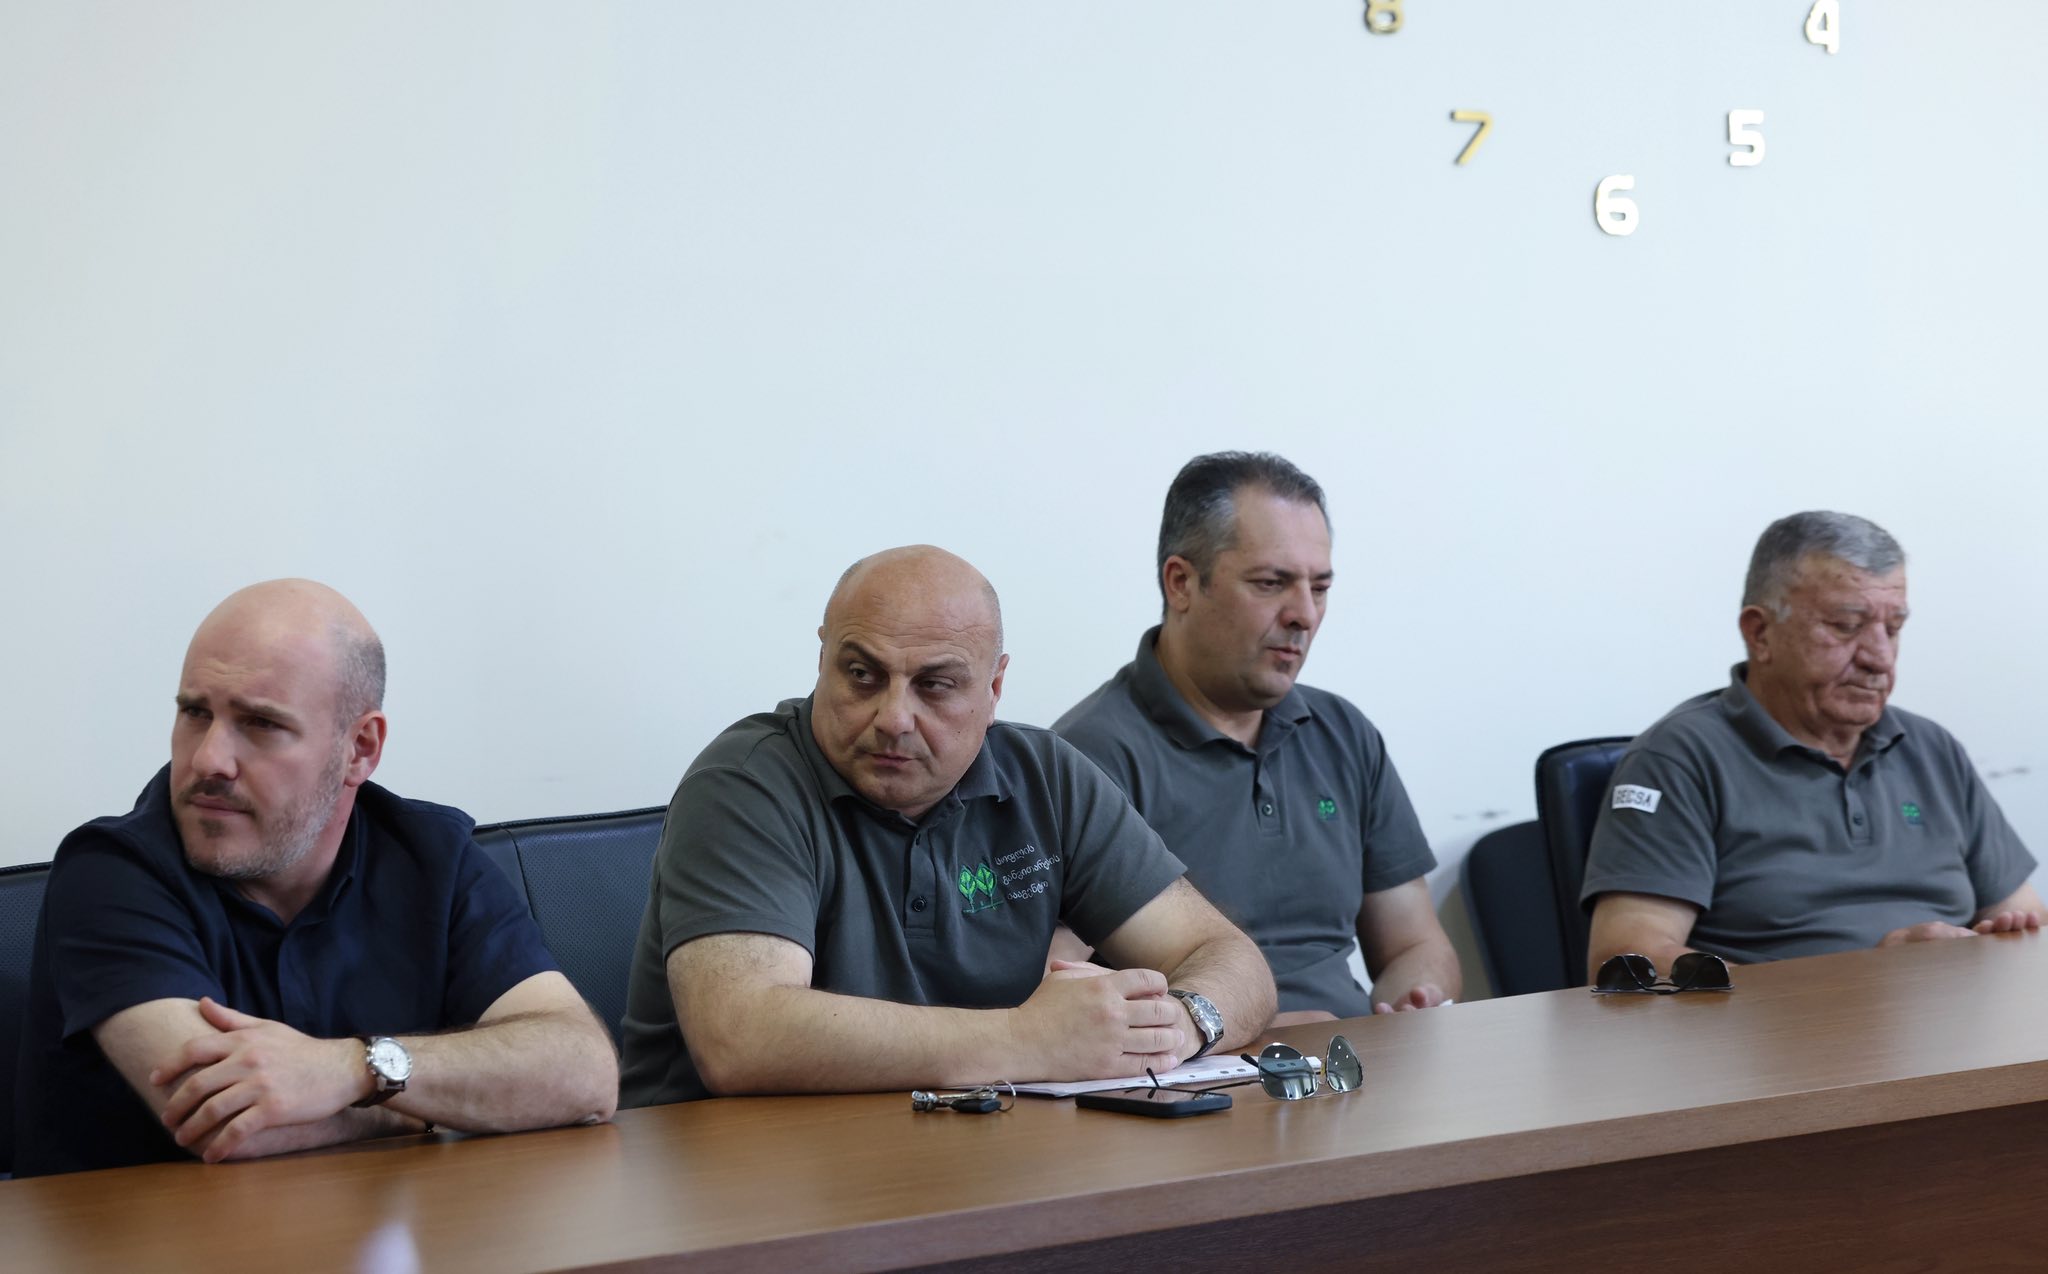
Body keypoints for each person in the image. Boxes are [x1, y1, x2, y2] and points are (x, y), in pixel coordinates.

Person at [618, 546, 1274, 1106]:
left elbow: (1229, 959)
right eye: (861, 675)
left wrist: (1178, 1024)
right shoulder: (745, 782)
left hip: (962, 1160)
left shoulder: (1046, 777)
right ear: (822, 659)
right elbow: (742, 1037)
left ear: (994, 688)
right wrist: (1029, 1039)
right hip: (733, 1176)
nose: (893, 718)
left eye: (934, 685)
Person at [13, 580, 617, 1177]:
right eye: (195, 713)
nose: (207, 759)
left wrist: (351, 1069)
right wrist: (437, 1112)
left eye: (260, 723)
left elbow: (585, 1073)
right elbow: (226, 1123)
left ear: (360, 748)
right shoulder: (109, 871)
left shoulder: (433, 856)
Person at [1055, 452, 1461, 1024]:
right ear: (1181, 583)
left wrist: (1415, 996)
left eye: (1320, 587)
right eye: (1271, 584)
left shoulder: (1344, 734)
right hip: (1198, 1067)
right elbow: (1056, 985)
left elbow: (1414, 943)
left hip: (1353, 1059)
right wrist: (1256, 1036)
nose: (1304, 615)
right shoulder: (1084, 759)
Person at [1581, 512, 2043, 976]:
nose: (1880, 658)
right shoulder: (1681, 757)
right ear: (1760, 633)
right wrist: (1866, 983)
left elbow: (2027, 921)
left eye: (1893, 629)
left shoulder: (1931, 748)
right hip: (1781, 1024)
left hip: (1952, 1014)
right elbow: (1628, 959)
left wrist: (2002, 943)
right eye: (1846, 625)